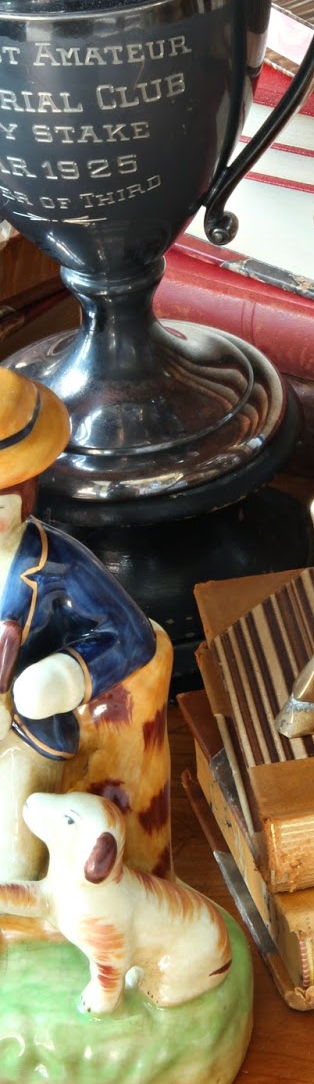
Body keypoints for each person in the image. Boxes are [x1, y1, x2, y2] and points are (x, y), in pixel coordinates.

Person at [0, 367, 157, 880]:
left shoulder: (59, 563)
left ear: (26, 490)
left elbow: (131, 635)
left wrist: (62, 676)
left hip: (26, 736)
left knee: (13, 852)